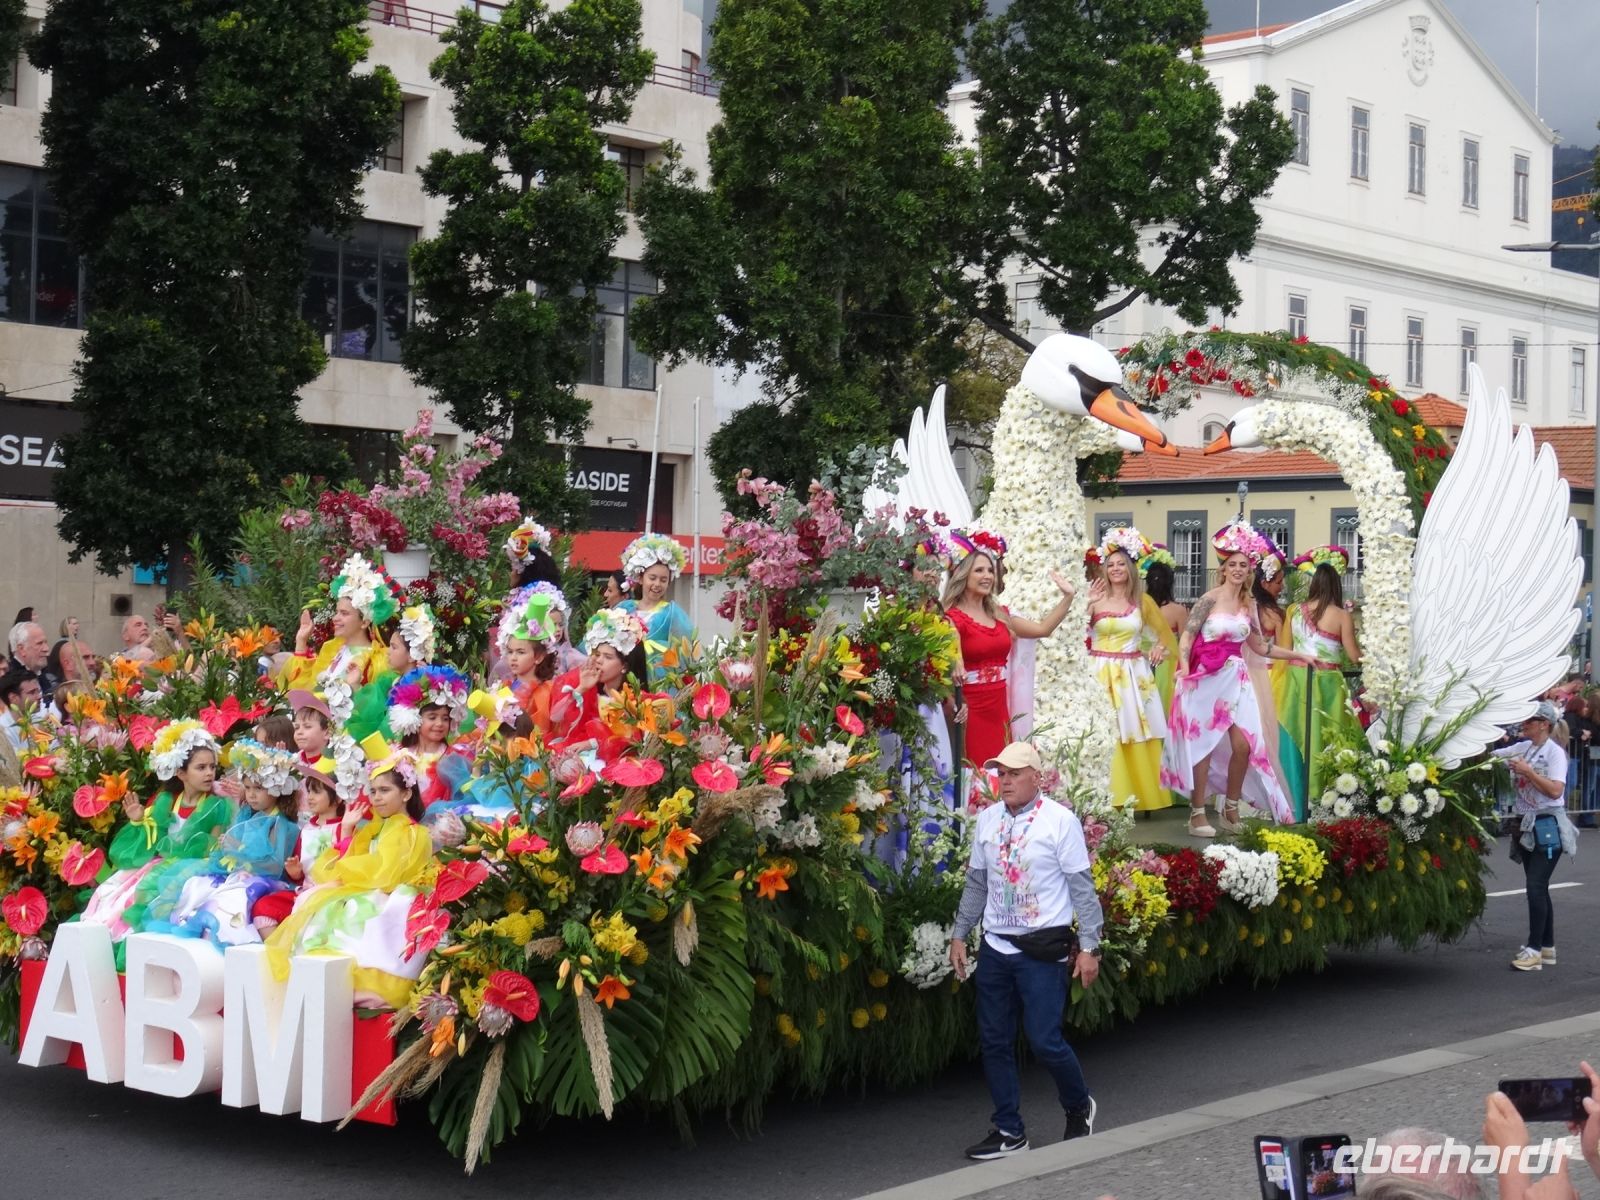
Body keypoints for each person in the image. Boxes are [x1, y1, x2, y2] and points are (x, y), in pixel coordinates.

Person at [948, 742, 1102, 1160]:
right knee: (994, 1040)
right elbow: (978, 882)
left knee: (1044, 1040)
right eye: (1001, 773)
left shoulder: (1060, 822)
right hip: (997, 946)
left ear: (1038, 776)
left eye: (1015, 773)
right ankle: (1009, 1132)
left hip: (1041, 949)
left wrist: (1090, 947)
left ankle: (1077, 1105)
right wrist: (960, 934)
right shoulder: (987, 820)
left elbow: (1081, 889)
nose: (1006, 780)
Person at [1161, 520, 1318, 837]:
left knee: (1244, 746)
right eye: (1232, 564)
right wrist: (1185, 667)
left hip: (1237, 679)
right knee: (1203, 745)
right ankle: (1196, 814)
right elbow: (1187, 639)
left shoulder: (1250, 605)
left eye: (1243, 565)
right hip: (1205, 679)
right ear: (1223, 569)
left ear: (1250, 571)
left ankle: (1231, 808)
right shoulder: (1208, 599)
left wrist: (1298, 655)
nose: (1237, 569)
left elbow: (1260, 646)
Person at [263, 739, 435, 1009]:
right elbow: (349, 859)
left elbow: (388, 873)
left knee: (354, 908)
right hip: (368, 885)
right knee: (313, 898)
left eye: (385, 790)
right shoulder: (373, 829)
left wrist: (346, 873)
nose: (377, 797)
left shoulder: (412, 832)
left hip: (391, 892)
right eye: (374, 791)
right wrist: (345, 837)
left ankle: (360, 982)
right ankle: (320, 978)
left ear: (406, 794)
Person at [943, 529, 1076, 769]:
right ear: (962, 575)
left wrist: (1068, 597)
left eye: (990, 570)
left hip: (1000, 708)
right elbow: (946, 668)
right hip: (970, 709)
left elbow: (1043, 629)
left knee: (1003, 771)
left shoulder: (999, 615)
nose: (987, 576)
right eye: (979, 570)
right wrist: (952, 701)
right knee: (975, 774)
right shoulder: (951, 619)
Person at [1086, 528, 1171, 812]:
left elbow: (1165, 637)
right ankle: (1099, 794)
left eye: (1121, 563)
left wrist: (1159, 648)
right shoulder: (1095, 598)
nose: (1116, 569)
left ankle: (1134, 794)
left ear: (1131, 567)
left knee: (1131, 730)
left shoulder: (1142, 603)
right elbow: (1077, 631)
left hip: (1132, 674)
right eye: (1110, 565)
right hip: (1098, 671)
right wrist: (1085, 604)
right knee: (1102, 730)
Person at [1275, 550, 1365, 817]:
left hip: (1295, 681)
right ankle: (1326, 803)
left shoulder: (1293, 611)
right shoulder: (1341, 615)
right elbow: (1353, 656)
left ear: (1313, 585)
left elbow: (1286, 649)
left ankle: (1295, 805)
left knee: (1295, 740)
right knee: (1331, 741)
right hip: (1327, 683)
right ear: (1336, 586)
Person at [1492, 702, 1577, 972]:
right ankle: (1547, 947)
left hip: (1548, 824)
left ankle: (1534, 949)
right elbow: (1492, 757)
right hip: (1526, 825)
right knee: (1539, 887)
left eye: (1530, 720)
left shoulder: (1555, 754)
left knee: (1535, 886)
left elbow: (1555, 791)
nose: (1524, 723)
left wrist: (1528, 772)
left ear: (1544, 724)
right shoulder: (1522, 747)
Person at [279, 553, 398, 710]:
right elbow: (305, 689)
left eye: (344, 613)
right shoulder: (332, 649)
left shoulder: (379, 660)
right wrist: (301, 642)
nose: (335, 618)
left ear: (364, 622)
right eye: (337, 612)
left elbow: (374, 709)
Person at [549, 608, 651, 750]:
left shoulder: (634, 699)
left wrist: (591, 744)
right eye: (597, 654)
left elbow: (630, 739)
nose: (599, 661)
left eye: (608, 657)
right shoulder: (586, 683)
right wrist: (581, 689)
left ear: (625, 666)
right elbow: (555, 717)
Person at [617, 532, 695, 680]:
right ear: (640, 578)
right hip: (625, 677)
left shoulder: (672, 613)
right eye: (652, 578)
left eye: (663, 580)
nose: (657, 584)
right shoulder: (624, 609)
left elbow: (686, 653)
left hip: (658, 681)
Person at [499, 593, 562, 736]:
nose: (513, 658)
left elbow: (541, 733)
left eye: (520, 652)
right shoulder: (506, 685)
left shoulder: (545, 692)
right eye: (510, 651)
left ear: (539, 657)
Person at [1142, 548, 1187, 714]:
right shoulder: (1178, 611)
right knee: (1166, 709)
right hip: (1168, 665)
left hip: (1142, 660)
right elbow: (1185, 642)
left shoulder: (1140, 607)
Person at [8, 621, 52, 704]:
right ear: (22, 649)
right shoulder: (9, 682)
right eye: (39, 643)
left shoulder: (42, 673)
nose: (46, 649)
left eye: (46, 642)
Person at [0, 668, 42, 750]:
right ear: (13, 698)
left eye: (38, 691)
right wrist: (39, 739)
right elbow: (16, 762)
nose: (39, 696)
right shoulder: (3, 731)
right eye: (32, 692)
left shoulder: (39, 719)